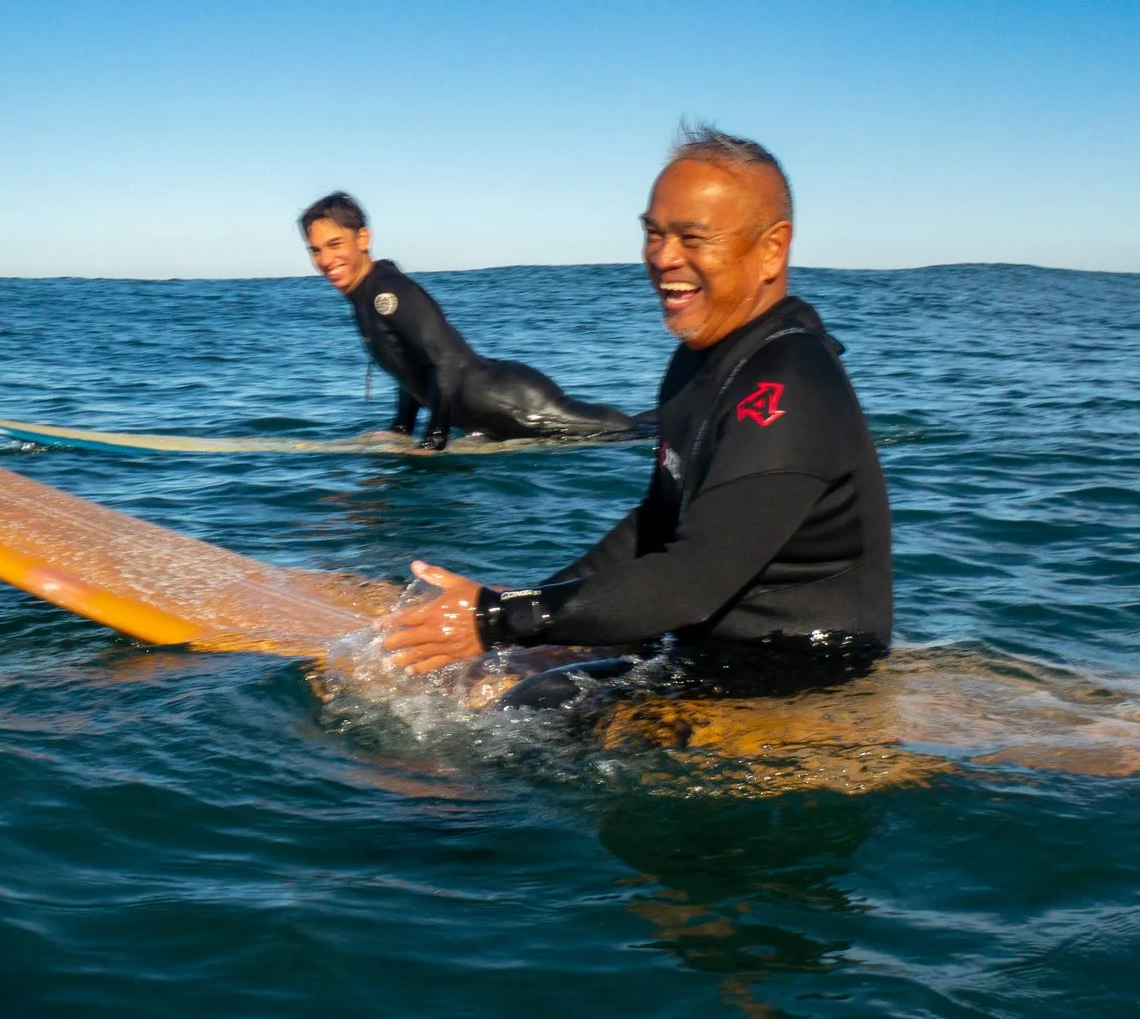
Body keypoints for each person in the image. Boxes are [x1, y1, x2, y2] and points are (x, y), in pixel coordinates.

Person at [376, 127, 892, 705]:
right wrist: (526, 603)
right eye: (653, 232)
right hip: (710, 645)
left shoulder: (788, 384)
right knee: (489, 679)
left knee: (527, 707)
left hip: (803, 670)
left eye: (692, 237)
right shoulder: (701, 361)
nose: (663, 257)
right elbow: (655, 525)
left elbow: (692, 578)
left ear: (772, 248)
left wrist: (497, 621)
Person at [300, 192, 639, 450]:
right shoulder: (365, 297)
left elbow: (444, 362)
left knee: (626, 433)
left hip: (511, 400)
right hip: (491, 408)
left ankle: (680, 422)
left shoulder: (387, 293)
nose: (326, 260)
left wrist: (434, 440)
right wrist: (401, 430)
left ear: (363, 239)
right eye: (316, 250)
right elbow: (411, 367)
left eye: (334, 245)